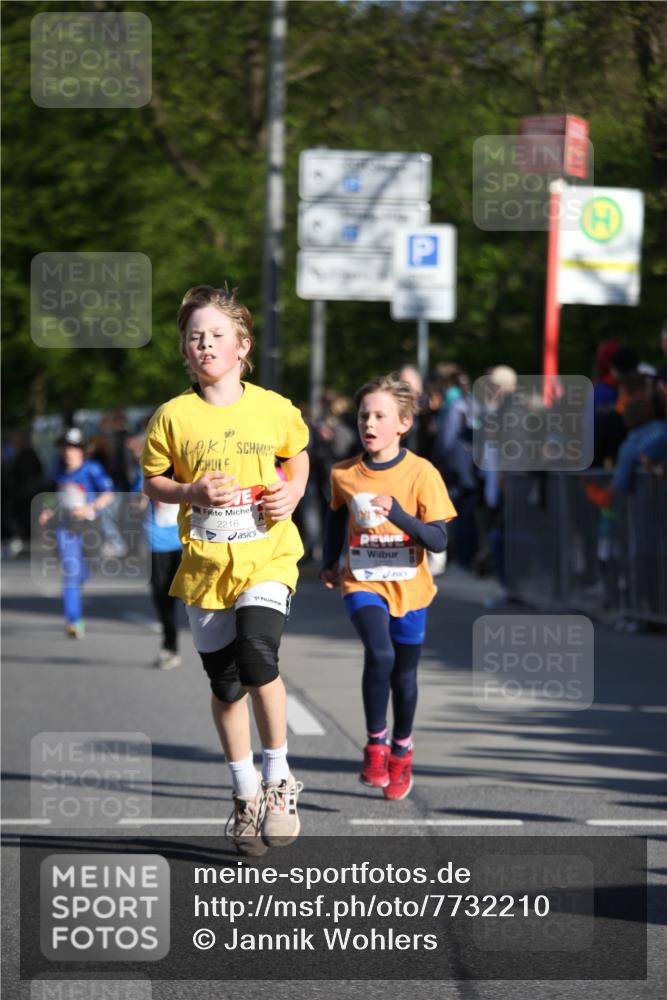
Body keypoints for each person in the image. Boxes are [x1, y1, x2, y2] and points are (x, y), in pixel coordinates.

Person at [141, 284, 309, 856]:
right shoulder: (172, 417)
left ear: (242, 346)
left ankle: (280, 781)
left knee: (260, 658)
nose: (205, 344)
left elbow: (298, 453)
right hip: (207, 567)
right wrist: (189, 488)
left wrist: (292, 492)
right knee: (226, 684)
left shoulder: (273, 407)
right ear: (185, 352)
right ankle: (245, 795)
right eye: (195, 338)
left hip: (267, 556)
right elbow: (154, 480)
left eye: (217, 335)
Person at [320, 373, 457, 800]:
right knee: (379, 652)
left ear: (403, 424)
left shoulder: (422, 473)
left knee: (404, 674)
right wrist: (328, 561)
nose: (369, 423)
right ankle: (376, 743)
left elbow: (437, 539)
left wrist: (397, 514)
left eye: (380, 415)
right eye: (364, 415)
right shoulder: (344, 472)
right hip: (363, 582)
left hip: (411, 588)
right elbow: (335, 517)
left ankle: (402, 748)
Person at [38, 427, 115, 638]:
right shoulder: (58, 470)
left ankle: (77, 590)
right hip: (66, 528)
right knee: (70, 573)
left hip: (90, 528)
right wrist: (48, 510)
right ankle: (73, 620)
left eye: (73, 448)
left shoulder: (92, 469)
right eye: (65, 448)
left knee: (84, 572)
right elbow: (54, 495)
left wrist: (90, 508)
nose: (68, 452)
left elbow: (108, 495)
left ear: (82, 450)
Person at [127, 432, 182, 670]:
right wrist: (139, 499)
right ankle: (170, 645)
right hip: (157, 542)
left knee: (195, 598)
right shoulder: (148, 469)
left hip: (187, 541)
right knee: (162, 595)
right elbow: (136, 500)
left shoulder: (187, 466)